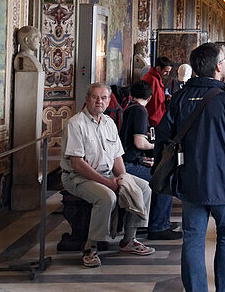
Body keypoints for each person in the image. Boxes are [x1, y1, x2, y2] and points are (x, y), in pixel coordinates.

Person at [156, 43, 225, 292]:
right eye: (223, 61)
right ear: (218, 67)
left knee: (194, 241)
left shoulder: (179, 99)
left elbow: (164, 136)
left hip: (191, 182)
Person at [60, 82, 155, 268]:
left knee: (143, 187)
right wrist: (107, 183)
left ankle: (129, 240)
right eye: (95, 97)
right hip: (77, 178)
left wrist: (124, 179)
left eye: (104, 98)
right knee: (107, 197)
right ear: (87, 99)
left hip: (106, 173)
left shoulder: (108, 122)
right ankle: (91, 248)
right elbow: (77, 163)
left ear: (109, 100)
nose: (99, 101)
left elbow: (116, 156)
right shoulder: (76, 124)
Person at [119, 81, 182, 240]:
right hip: (129, 164)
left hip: (126, 161)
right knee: (164, 180)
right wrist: (155, 147)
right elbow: (139, 142)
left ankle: (155, 221)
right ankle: (158, 226)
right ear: (151, 96)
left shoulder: (129, 108)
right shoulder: (140, 111)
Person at [142, 56, 172, 127]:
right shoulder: (152, 80)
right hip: (153, 120)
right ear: (158, 68)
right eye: (166, 71)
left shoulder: (156, 79)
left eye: (169, 72)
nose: (167, 74)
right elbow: (153, 104)